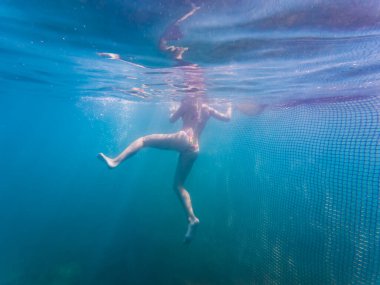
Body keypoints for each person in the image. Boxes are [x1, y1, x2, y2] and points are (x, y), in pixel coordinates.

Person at [98, 96, 232, 243]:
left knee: (143, 140)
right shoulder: (208, 109)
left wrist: (172, 110)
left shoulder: (188, 101)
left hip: (183, 138)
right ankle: (192, 218)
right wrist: (230, 105)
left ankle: (115, 161)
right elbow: (227, 118)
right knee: (178, 185)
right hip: (194, 149)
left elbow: (172, 120)